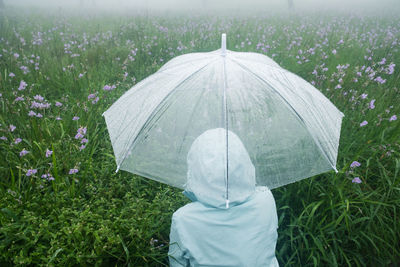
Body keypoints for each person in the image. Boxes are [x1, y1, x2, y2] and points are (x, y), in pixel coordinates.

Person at [168, 128, 279, 266]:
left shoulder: (183, 219)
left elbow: (176, 262)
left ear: (197, 168)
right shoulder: (265, 199)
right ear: (243, 162)